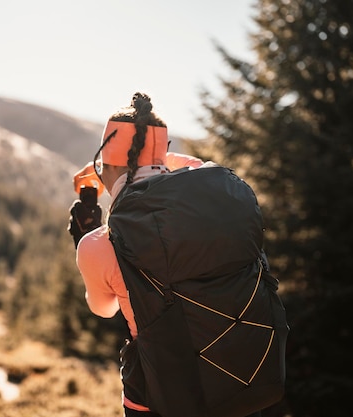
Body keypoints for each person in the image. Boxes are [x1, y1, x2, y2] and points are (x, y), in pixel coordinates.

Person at [68, 93, 268, 417]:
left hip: (156, 396)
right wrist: (155, 157)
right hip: (234, 381)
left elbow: (104, 309)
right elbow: (201, 168)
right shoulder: (212, 205)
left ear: (105, 163)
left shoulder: (98, 244)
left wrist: (82, 239)